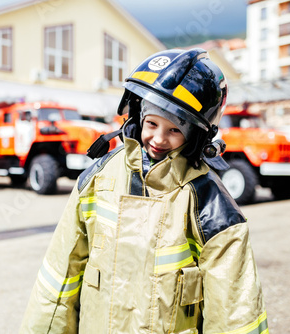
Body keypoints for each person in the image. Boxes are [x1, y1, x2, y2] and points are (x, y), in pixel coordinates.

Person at [19, 48, 268, 334]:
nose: (158, 139)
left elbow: (234, 310)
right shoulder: (99, 176)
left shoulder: (209, 201)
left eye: (174, 130)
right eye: (152, 123)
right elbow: (61, 274)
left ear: (197, 135)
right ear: (137, 116)